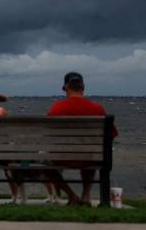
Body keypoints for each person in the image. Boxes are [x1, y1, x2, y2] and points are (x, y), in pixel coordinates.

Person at [46, 72, 119, 206]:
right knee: (90, 154)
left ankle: (72, 196)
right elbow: (111, 136)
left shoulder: (56, 108)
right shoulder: (97, 108)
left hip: (61, 157)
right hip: (90, 157)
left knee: (45, 167)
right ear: (83, 87)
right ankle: (85, 197)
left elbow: (48, 136)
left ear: (64, 87)